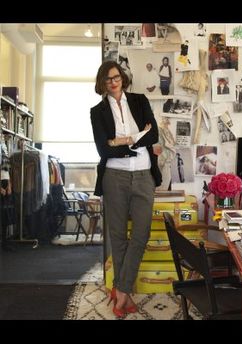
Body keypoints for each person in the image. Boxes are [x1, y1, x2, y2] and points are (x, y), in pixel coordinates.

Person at [90, 60, 161, 317]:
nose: (113, 81)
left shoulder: (140, 101)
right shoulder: (97, 112)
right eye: (108, 78)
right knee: (118, 237)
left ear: (122, 78)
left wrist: (121, 141)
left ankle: (120, 289)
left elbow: (153, 135)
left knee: (141, 234)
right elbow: (103, 148)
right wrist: (135, 139)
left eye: (116, 76)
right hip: (114, 177)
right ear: (102, 83)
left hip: (144, 176)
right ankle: (124, 295)